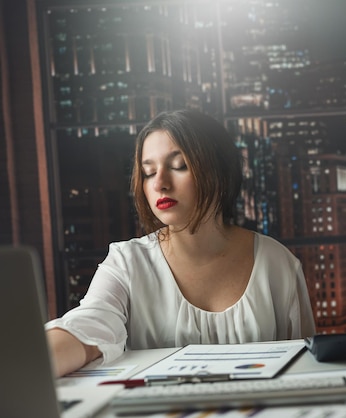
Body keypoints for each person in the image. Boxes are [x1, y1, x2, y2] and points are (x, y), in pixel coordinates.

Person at [46, 109, 316, 377]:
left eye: (179, 166)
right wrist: (28, 364)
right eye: (149, 172)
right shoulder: (127, 262)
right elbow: (90, 326)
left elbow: (305, 365)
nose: (160, 183)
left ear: (219, 172)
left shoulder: (276, 262)